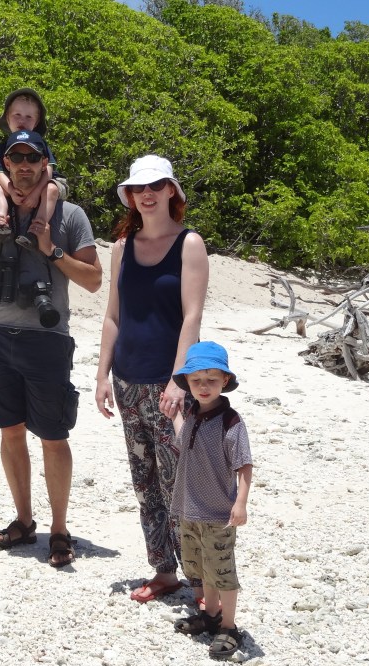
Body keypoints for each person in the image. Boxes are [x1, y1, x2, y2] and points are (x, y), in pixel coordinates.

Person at [0, 128, 102, 567]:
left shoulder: (71, 215)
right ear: (6, 163)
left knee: (54, 437)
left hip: (48, 338)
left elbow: (94, 280)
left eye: (32, 157)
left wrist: (51, 249)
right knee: (10, 431)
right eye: (16, 157)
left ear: (45, 163)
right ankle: (24, 521)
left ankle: (59, 530)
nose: (24, 165)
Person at [94, 155, 209, 603]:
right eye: (139, 188)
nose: (147, 194)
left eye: (156, 186)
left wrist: (179, 381)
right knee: (144, 483)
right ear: (129, 195)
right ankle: (163, 571)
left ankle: (201, 580)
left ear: (171, 191)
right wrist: (102, 375)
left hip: (170, 383)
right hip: (126, 380)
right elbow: (113, 315)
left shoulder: (189, 244)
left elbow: (192, 317)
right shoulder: (122, 247)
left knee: (178, 484)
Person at [169, 341, 252, 659]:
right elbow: (182, 439)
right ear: (188, 383)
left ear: (225, 381)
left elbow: (244, 465)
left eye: (211, 380)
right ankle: (210, 614)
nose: (204, 387)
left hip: (218, 513)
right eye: (197, 381)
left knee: (222, 570)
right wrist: (175, 415)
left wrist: (240, 503)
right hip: (188, 507)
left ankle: (229, 626)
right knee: (200, 566)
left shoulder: (231, 421)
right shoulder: (192, 413)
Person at [0, 88, 68, 246]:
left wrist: (36, 192)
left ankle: (37, 229)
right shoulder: (3, 146)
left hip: (48, 182)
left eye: (28, 117)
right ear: (7, 118)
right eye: (17, 115)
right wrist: (11, 190)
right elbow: (0, 173)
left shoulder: (41, 143)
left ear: (36, 122)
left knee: (51, 189)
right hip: (16, 184)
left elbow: (49, 170)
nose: (22, 121)